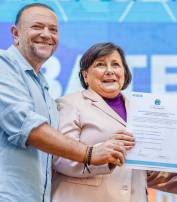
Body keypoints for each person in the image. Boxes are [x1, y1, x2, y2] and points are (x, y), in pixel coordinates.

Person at [0, 4, 127, 202]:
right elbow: (28, 127)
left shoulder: (43, 88)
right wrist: (90, 152)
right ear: (15, 33)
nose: (46, 34)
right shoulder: (3, 65)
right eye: (37, 27)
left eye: (53, 29)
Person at [52, 42, 177, 202]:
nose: (110, 71)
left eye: (116, 65)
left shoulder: (141, 109)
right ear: (85, 75)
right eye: (100, 65)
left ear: (124, 73)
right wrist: (102, 152)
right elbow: (60, 158)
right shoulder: (70, 104)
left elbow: (148, 173)